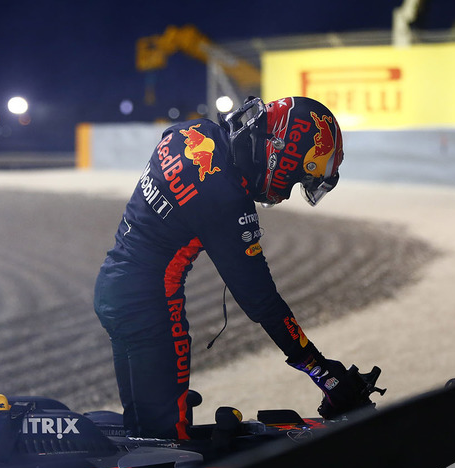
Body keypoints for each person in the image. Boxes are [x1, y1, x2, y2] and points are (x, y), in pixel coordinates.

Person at [94, 96, 383, 440]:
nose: (287, 193)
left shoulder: (192, 131)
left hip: (116, 289)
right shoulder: (225, 198)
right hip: (149, 306)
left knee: (143, 425)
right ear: (283, 155)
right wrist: (322, 370)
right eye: (295, 178)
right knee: (164, 444)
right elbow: (260, 299)